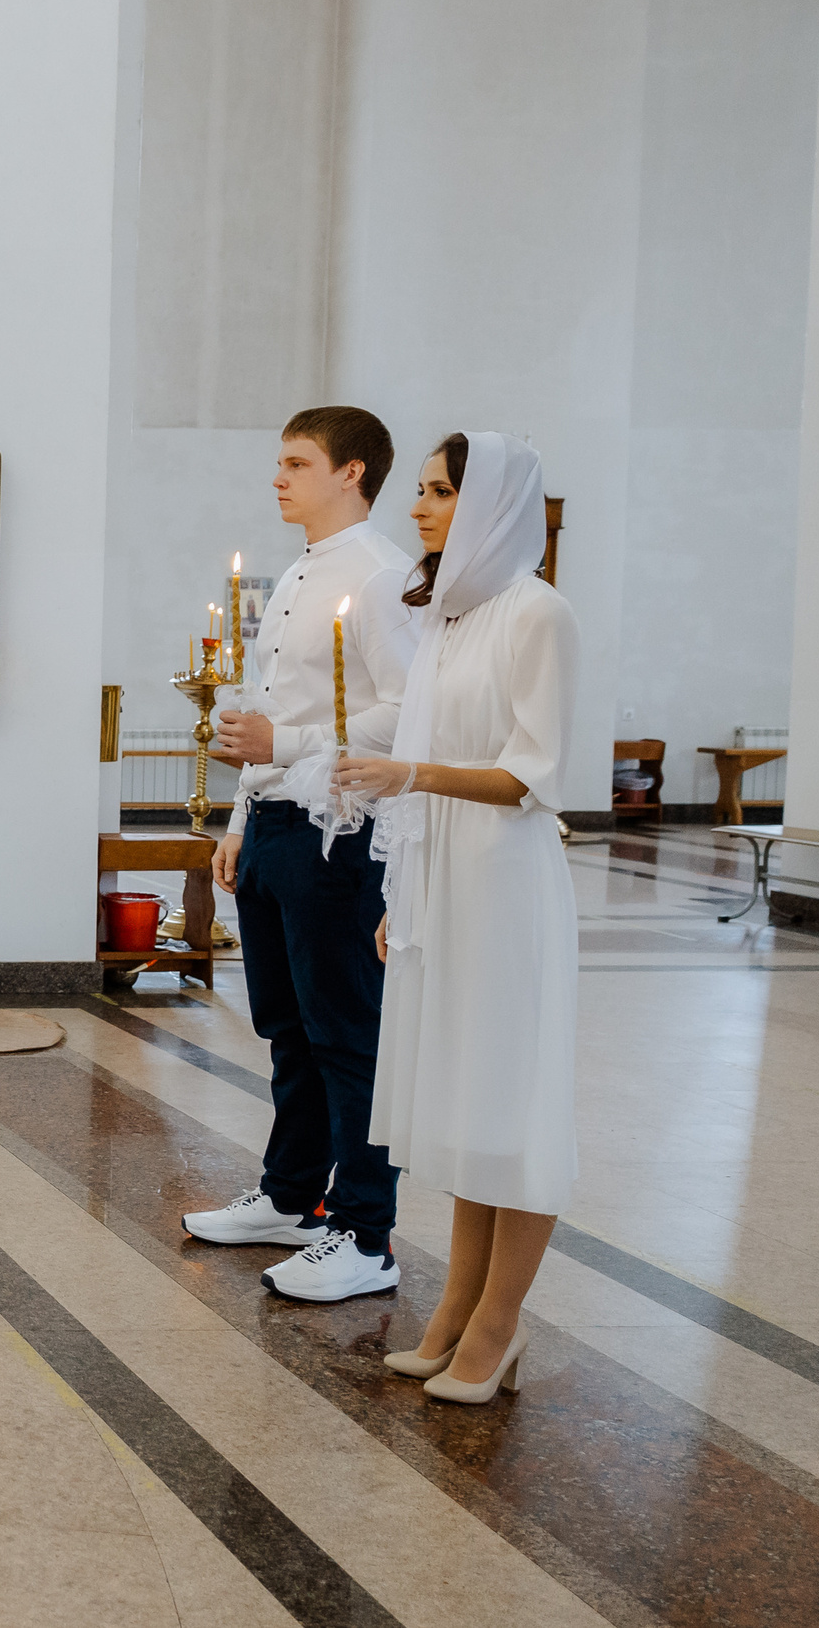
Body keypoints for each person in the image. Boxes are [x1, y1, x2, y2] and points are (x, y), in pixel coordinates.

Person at [334, 432, 577, 1404]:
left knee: (512, 1107)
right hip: (447, 879)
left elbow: (535, 771)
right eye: (425, 489)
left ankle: (497, 1321)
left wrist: (411, 773)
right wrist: (404, 897)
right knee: (471, 1099)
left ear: (490, 503)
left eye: (438, 491)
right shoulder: (448, 613)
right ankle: (458, 1307)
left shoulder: (536, 614)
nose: (420, 506)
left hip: (508, 881)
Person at [181, 407, 421, 1302]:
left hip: (340, 832)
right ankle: (290, 1197)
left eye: (297, 462)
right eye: (278, 461)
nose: (278, 477)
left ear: (352, 472)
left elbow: (404, 715)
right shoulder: (297, 573)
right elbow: (263, 714)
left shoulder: (385, 577)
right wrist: (242, 819)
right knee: (285, 1028)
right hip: (278, 826)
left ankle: (366, 1233)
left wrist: (281, 740)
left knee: (346, 1034)